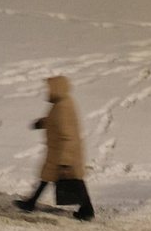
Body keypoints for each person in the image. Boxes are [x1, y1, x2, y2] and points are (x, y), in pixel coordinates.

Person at [14, 74, 93, 220]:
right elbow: (54, 121)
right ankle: (31, 203)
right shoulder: (62, 104)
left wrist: (65, 161)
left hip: (65, 152)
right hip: (59, 151)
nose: (48, 91)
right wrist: (42, 123)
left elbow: (67, 135)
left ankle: (88, 210)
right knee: (48, 177)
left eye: (49, 88)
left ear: (56, 88)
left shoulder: (62, 106)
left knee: (75, 181)